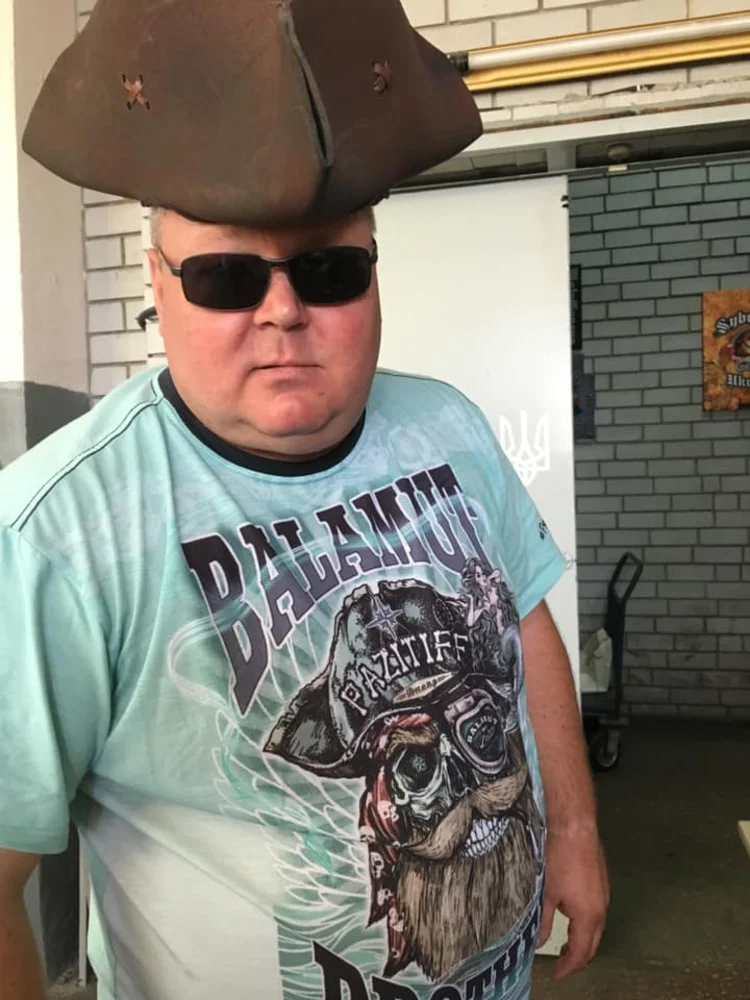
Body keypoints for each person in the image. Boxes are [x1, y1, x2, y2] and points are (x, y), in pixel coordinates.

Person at [0, 1, 609, 998]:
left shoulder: (449, 425)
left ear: (373, 273)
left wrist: (575, 828)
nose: (283, 310)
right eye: (226, 277)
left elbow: (524, 614)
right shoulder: (52, 536)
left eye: (329, 269)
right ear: (159, 281)